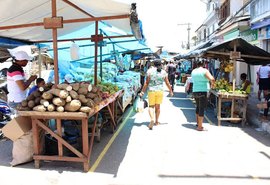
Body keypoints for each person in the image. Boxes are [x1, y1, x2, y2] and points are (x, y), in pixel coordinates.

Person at [139, 59, 173, 130]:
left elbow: (146, 83)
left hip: (151, 91)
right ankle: (157, 121)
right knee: (158, 107)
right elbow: (167, 83)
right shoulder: (163, 72)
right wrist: (170, 91)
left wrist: (142, 91)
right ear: (160, 64)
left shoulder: (149, 71)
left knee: (151, 106)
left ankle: (152, 119)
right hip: (160, 91)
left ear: (153, 64)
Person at [191, 60, 215, 131]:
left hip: (195, 90)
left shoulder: (194, 71)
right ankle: (200, 127)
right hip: (202, 91)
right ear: (203, 64)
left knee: (198, 107)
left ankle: (198, 123)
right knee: (201, 108)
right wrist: (213, 85)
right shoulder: (205, 71)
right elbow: (212, 79)